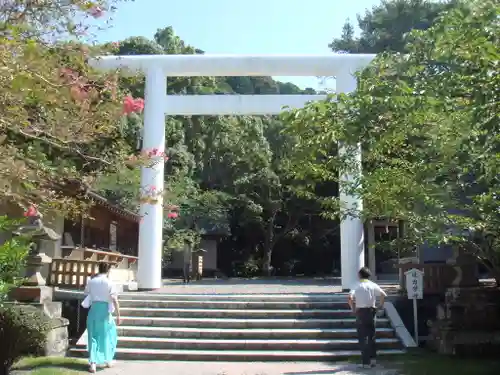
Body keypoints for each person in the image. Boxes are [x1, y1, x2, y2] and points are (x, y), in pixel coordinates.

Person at [83, 262, 121, 373]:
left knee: (93, 337)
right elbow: (114, 299)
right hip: (104, 312)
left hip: (94, 310)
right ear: (108, 270)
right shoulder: (109, 282)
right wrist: (118, 314)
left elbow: (86, 292)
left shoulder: (92, 281)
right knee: (108, 335)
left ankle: (93, 364)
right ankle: (108, 360)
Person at [347, 267, 387, 369]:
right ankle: (373, 359)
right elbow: (383, 294)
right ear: (369, 275)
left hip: (361, 311)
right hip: (372, 311)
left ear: (359, 275)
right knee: (372, 336)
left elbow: (350, 298)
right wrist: (379, 306)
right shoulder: (372, 284)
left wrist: (353, 309)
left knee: (363, 337)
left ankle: (366, 362)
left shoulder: (357, 285)